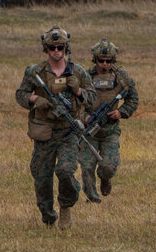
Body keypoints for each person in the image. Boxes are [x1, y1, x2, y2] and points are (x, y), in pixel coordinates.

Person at [14, 26, 94, 228]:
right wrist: (35, 99)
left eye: (60, 47)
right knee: (41, 178)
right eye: (51, 47)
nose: (56, 51)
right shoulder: (35, 72)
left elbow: (92, 99)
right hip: (45, 131)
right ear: (46, 49)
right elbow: (20, 94)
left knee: (66, 171)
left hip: (68, 131)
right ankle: (48, 216)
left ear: (66, 48)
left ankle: (66, 205)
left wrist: (77, 91)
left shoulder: (78, 72)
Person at [79, 38, 138, 203]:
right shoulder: (85, 77)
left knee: (108, 167)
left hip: (109, 131)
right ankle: (92, 197)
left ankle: (105, 178)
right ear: (95, 59)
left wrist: (121, 112)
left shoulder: (121, 78)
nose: (104, 64)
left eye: (108, 61)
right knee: (86, 166)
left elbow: (133, 99)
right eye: (101, 61)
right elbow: (75, 102)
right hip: (89, 131)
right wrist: (85, 117)